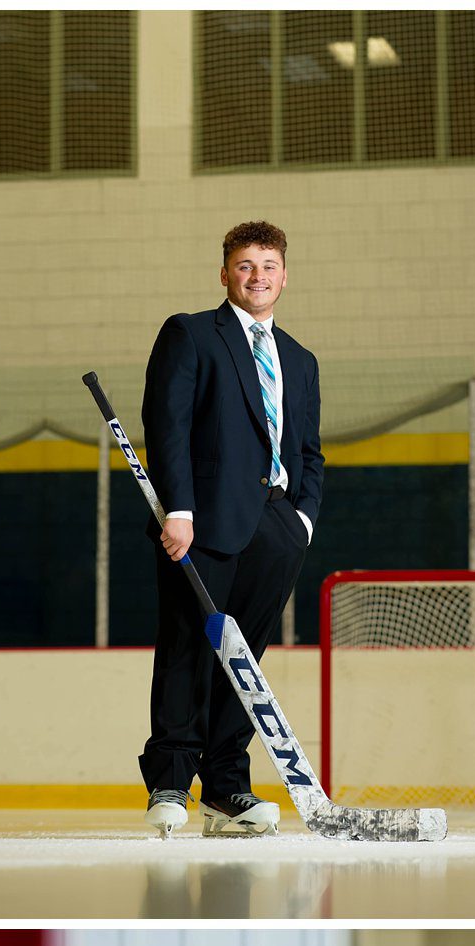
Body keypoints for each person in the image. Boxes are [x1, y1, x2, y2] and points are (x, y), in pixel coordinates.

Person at [139, 220, 323, 838]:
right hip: (204, 521)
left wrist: (302, 520)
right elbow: (167, 426)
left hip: (276, 525)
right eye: (245, 265)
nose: (257, 277)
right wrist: (180, 510)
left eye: (268, 265)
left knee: (245, 658)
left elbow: (310, 451)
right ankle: (170, 781)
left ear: (284, 275)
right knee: (189, 646)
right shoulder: (190, 334)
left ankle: (226, 787)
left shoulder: (299, 359)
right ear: (225, 273)